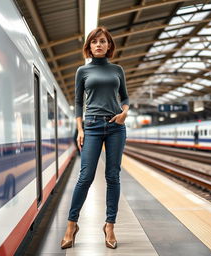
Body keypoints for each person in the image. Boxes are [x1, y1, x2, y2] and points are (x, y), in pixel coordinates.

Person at [61, 26, 129, 250]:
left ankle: (109, 226)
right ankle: (71, 225)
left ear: (109, 45)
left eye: (103, 41)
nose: (99, 44)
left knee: (113, 176)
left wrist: (124, 113)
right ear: (89, 46)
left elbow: (125, 98)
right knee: (85, 176)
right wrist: (80, 129)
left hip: (115, 127)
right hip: (90, 126)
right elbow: (79, 102)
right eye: (94, 41)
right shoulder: (82, 71)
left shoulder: (118, 70)